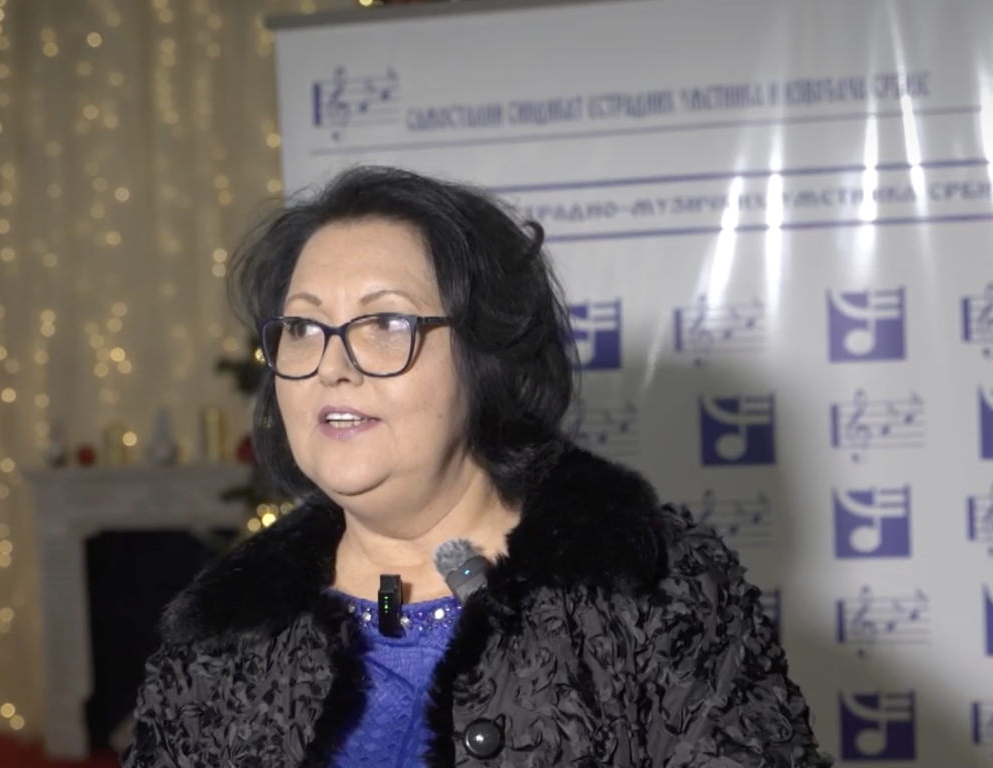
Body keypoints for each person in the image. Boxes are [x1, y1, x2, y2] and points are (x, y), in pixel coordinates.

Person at [123, 166, 830, 767]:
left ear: (484, 358)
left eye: (386, 322)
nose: (332, 365)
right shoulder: (218, 639)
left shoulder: (654, 592)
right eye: (304, 327)